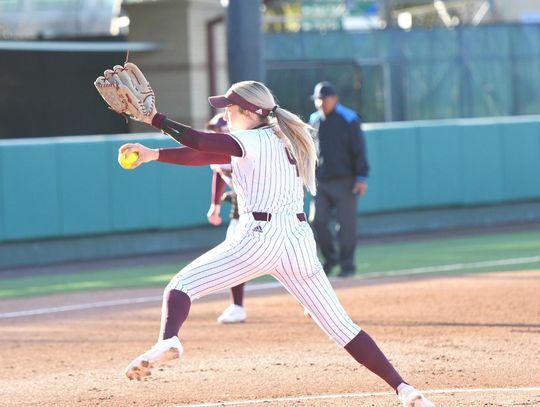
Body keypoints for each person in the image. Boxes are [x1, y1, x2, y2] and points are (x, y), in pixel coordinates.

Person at [112, 79, 433, 406]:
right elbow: (205, 154)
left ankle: (169, 340)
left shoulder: (252, 139)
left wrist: (156, 119)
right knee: (343, 328)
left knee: (180, 287)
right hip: (298, 242)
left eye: (229, 109)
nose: (225, 115)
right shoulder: (286, 135)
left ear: (248, 111)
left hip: (260, 239)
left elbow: (198, 141)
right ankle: (404, 388)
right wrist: (154, 154)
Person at [309, 81, 369, 278]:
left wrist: (361, 177)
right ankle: (330, 258)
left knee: (346, 226)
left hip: (346, 181)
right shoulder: (314, 119)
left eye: (324, 98)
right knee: (317, 221)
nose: (320, 102)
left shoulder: (349, 118)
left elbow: (359, 150)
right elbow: (310, 151)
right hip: (321, 181)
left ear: (335, 99)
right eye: (318, 99)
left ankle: (347, 265)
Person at [205, 113, 246, 324]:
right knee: (233, 254)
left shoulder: (243, 144)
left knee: (289, 258)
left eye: (218, 130)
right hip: (245, 208)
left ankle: (237, 307)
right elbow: (218, 173)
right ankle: (237, 306)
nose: (214, 134)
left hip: (263, 207)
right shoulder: (217, 150)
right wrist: (215, 205)